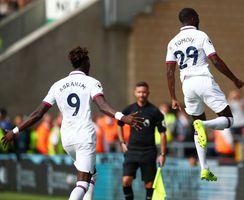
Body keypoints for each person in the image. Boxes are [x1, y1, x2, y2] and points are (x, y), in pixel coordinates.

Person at [1, 46, 142, 200]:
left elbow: (37, 114)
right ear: (86, 62)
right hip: (84, 137)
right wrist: (123, 117)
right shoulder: (91, 82)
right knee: (82, 183)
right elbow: (102, 106)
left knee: (92, 173)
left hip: (67, 139)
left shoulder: (57, 85)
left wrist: (13, 131)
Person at [165, 8, 244, 181]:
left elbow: (170, 72)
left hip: (187, 85)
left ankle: (204, 168)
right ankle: (205, 124)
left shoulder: (172, 43)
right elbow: (215, 59)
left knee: (196, 125)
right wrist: (235, 80)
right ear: (193, 18)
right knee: (228, 120)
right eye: (198, 17)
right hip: (203, 80)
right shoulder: (200, 35)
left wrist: (173, 97)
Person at [117, 81, 167, 200]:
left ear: (148, 93)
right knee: (126, 181)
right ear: (135, 93)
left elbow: (163, 133)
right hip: (132, 151)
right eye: (139, 92)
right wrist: (122, 142)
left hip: (149, 152)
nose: (141, 94)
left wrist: (163, 154)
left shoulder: (155, 112)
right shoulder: (129, 109)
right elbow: (119, 124)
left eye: (144, 92)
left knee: (149, 184)